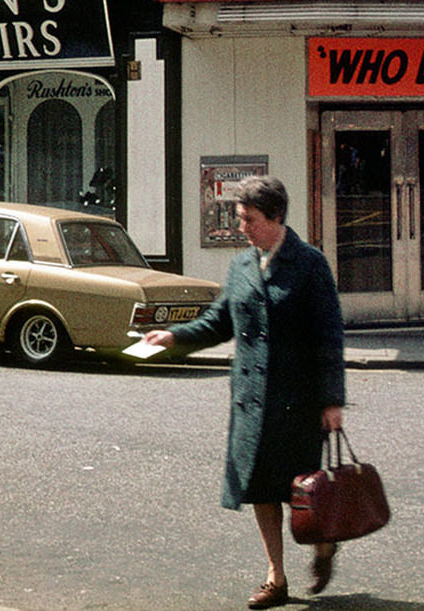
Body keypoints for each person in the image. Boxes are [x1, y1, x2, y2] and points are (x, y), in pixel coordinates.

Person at [145, 175, 345, 609]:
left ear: (275, 218)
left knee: (302, 490)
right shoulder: (240, 266)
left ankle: (323, 544)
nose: (242, 228)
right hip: (252, 402)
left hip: (298, 402)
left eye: (249, 219)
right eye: (240, 219)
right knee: (260, 488)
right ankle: (276, 577)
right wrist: (174, 337)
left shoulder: (310, 265)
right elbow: (219, 322)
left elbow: (330, 336)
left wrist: (332, 401)